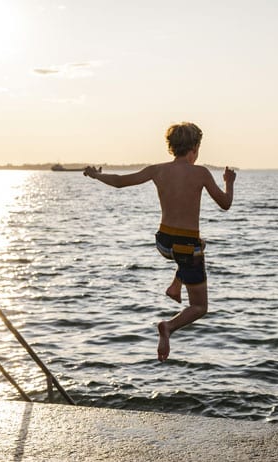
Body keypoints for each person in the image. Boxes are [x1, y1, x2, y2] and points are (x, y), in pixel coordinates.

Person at [83, 122, 236, 361]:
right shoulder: (201, 173)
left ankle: (176, 285)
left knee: (198, 245)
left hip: (164, 243)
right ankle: (169, 327)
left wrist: (96, 174)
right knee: (200, 307)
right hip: (184, 247)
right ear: (194, 148)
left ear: (171, 147)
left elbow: (121, 182)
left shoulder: (157, 170)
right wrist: (229, 181)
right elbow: (225, 204)